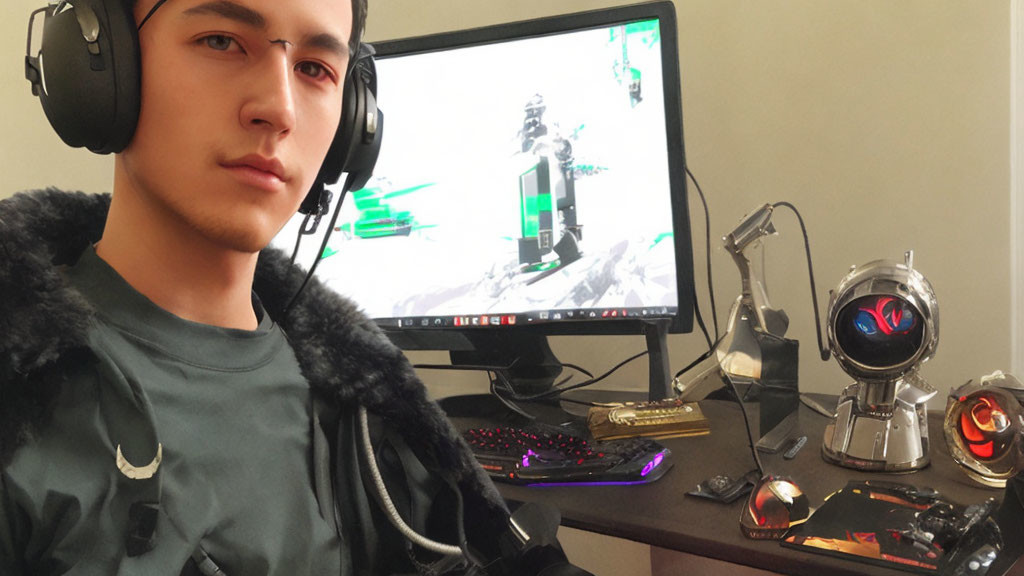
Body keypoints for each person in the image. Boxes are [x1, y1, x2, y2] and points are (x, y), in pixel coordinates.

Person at [0, 0, 592, 574]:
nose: (279, 108)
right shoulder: (21, 403)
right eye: (221, 41)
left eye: (314, 68)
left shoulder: (372, 413)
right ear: (100, 68)